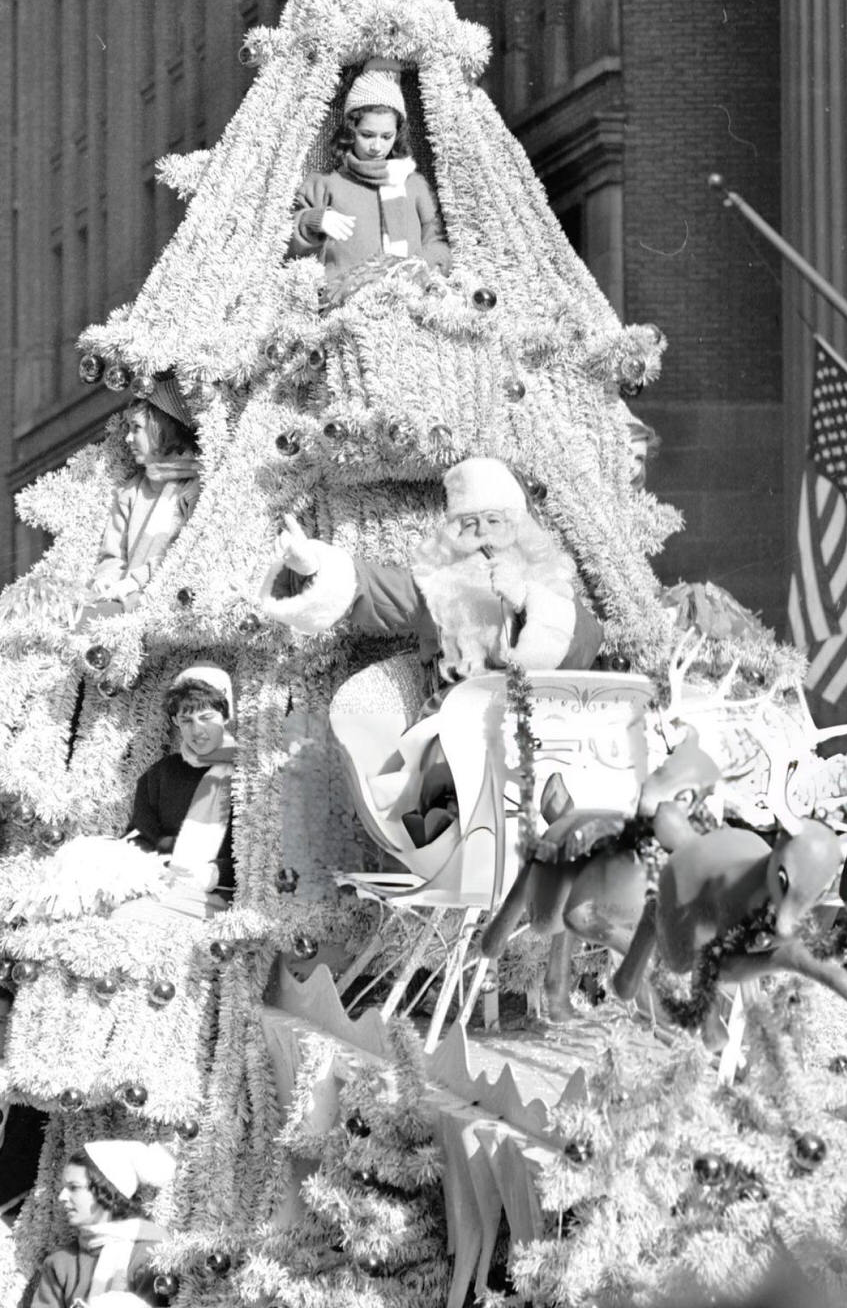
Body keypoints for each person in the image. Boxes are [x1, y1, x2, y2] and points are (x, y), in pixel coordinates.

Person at [259, 456, 603, 849]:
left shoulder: (550, 583)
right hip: (460, 713)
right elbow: (376, 589)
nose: (484, 536)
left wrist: (527, 599)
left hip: (537, 714)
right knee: (444, 757)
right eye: (471, 524)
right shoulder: (444, 587)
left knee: (551, 780)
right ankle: (439, 845)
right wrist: (315, 568)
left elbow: (586, 646)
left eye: (496, 522)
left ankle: (568, 845)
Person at [288, 57, 450, 283]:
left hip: (407, 301)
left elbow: (438, 242)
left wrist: (419, 268)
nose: (376, 146)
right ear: (350, 129)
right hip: (343, 306)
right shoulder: (324, 184)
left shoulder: (413, 185)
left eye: (386, 137)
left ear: (398, 133)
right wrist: (312, 221)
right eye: (367, 135)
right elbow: (285, 245)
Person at [18, 1142, 173, 1308]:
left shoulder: (150, 1258)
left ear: (106, 1192)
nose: (62, 1196)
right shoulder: (60, 1263)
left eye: (74, 1187)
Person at [125, 662, 238, 911]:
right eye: (186, 720)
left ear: (226, 716)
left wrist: (215, 873)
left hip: (223, 899)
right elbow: (140, 836)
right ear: (175, 721)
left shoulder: (247, 775)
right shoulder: (160, 774)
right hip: (161, 888)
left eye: (207, 717)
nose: (197, 731)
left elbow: (262, 853)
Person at [86, 379, 200, 615]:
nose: (128, 438)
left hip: (172, 604)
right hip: (125, 604)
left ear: (162, 429)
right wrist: (107, 579)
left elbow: (184, 551)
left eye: (136, 428)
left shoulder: (192, 485)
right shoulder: (131, 491)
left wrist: (136, 581)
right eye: (127, 428)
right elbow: (113, 554)